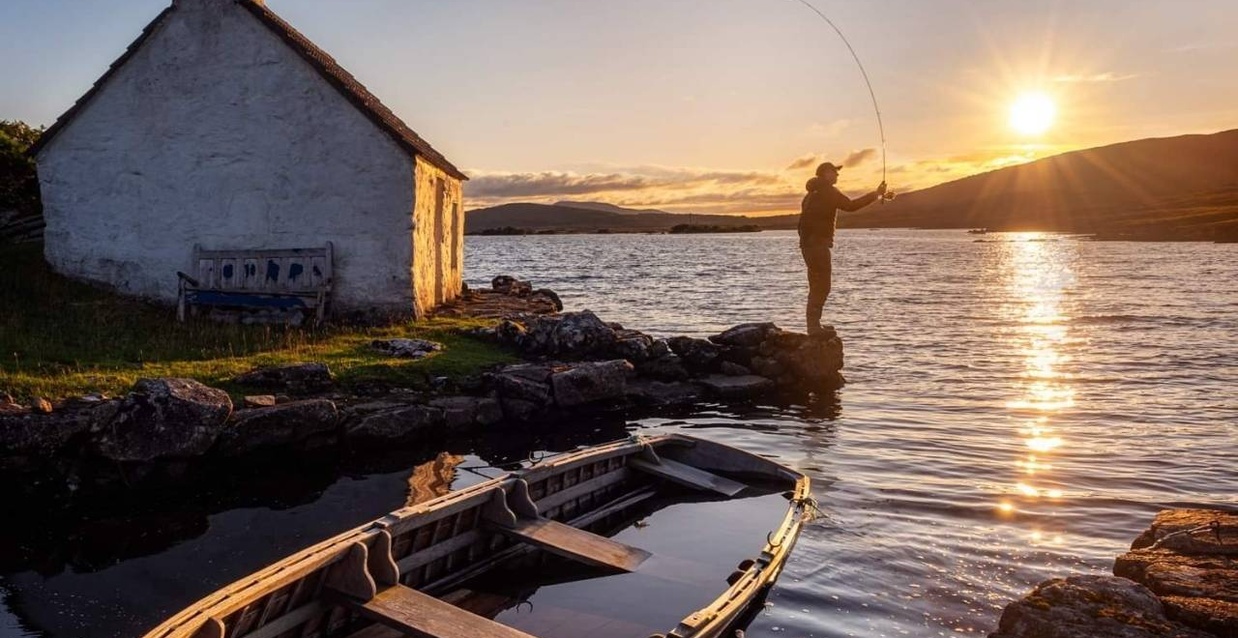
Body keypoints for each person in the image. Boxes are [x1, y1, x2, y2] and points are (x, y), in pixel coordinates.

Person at [799, 161, 887, 335]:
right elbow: (851, 206)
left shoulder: (811, 194)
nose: (837, 175)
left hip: (807, 246)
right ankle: (814, 327)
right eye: (834, 172)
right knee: (822, 286)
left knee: (815, 285)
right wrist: (876, 194)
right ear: (825, 173)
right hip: (818, 245)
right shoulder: (828, 192)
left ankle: (814, 325)